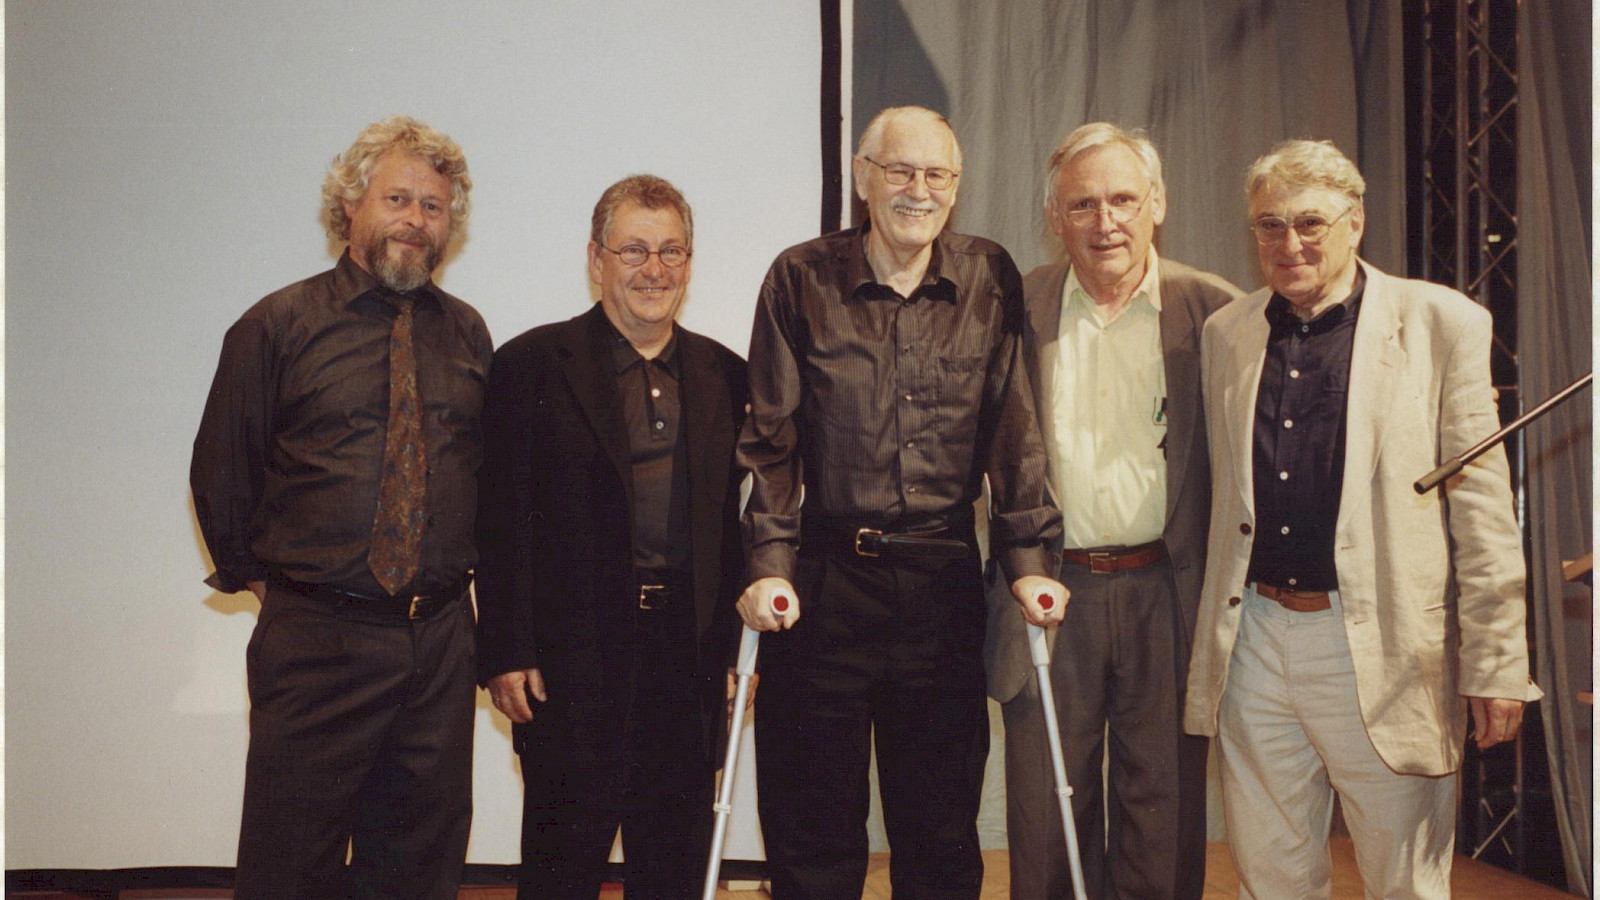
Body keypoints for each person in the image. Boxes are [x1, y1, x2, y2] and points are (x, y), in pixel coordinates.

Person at [1183, 138, 1541, 899]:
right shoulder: (1228, 335)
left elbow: (1482, 511)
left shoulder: (1442, 323)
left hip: (1378, 647)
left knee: (1403, 882)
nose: (1289, 244)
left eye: (1310, 222)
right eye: (1269, 225)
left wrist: (1497, 661)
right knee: (1269, 878)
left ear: (1356, 223)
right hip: (1254, 644)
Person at [737, 105, 1066, 900]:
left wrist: (1026, 559)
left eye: (937, 176)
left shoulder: (989, 275)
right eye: (900, 172)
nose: (918, 191)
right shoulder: (799, 276)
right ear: (862, 177)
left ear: (956, 187)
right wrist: (768, 563)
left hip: (942, 583)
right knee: (812, 828)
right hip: (824, 586)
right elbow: (772, 441)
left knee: (941, 830)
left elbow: (1013, 425)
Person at [190, 115, 490, 900]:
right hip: (318, 640)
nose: (416, 221)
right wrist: (285, 595)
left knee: (420, 865)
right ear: (350, 205)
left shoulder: (468, 335)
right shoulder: (277, 326)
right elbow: (222, 476)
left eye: (434, 206)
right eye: (398, 198)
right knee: (292, 863)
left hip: (438, 645)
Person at [475, 174, 748, 900]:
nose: (653, 269)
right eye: (633, 250)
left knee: (675, 870)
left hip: (685, 662)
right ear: (596, 260)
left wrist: (734, 656)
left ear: (690, 262)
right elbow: (499, 520)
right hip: (572, 664)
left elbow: (737, 528)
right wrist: (506, 648)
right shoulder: (531, 365)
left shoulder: (727, 375)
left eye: (671, 250)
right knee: (562, 870)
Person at [985, 123, 1240, 900]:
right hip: (1047, 593)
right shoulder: (1010, 309)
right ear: (1054, 218)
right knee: (1045, 810)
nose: (1107, 222)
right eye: (1084, 204)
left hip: (1169, 593)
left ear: (1157, 203)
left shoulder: (1217, 314)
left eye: (1124, 199)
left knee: (1161, 812)